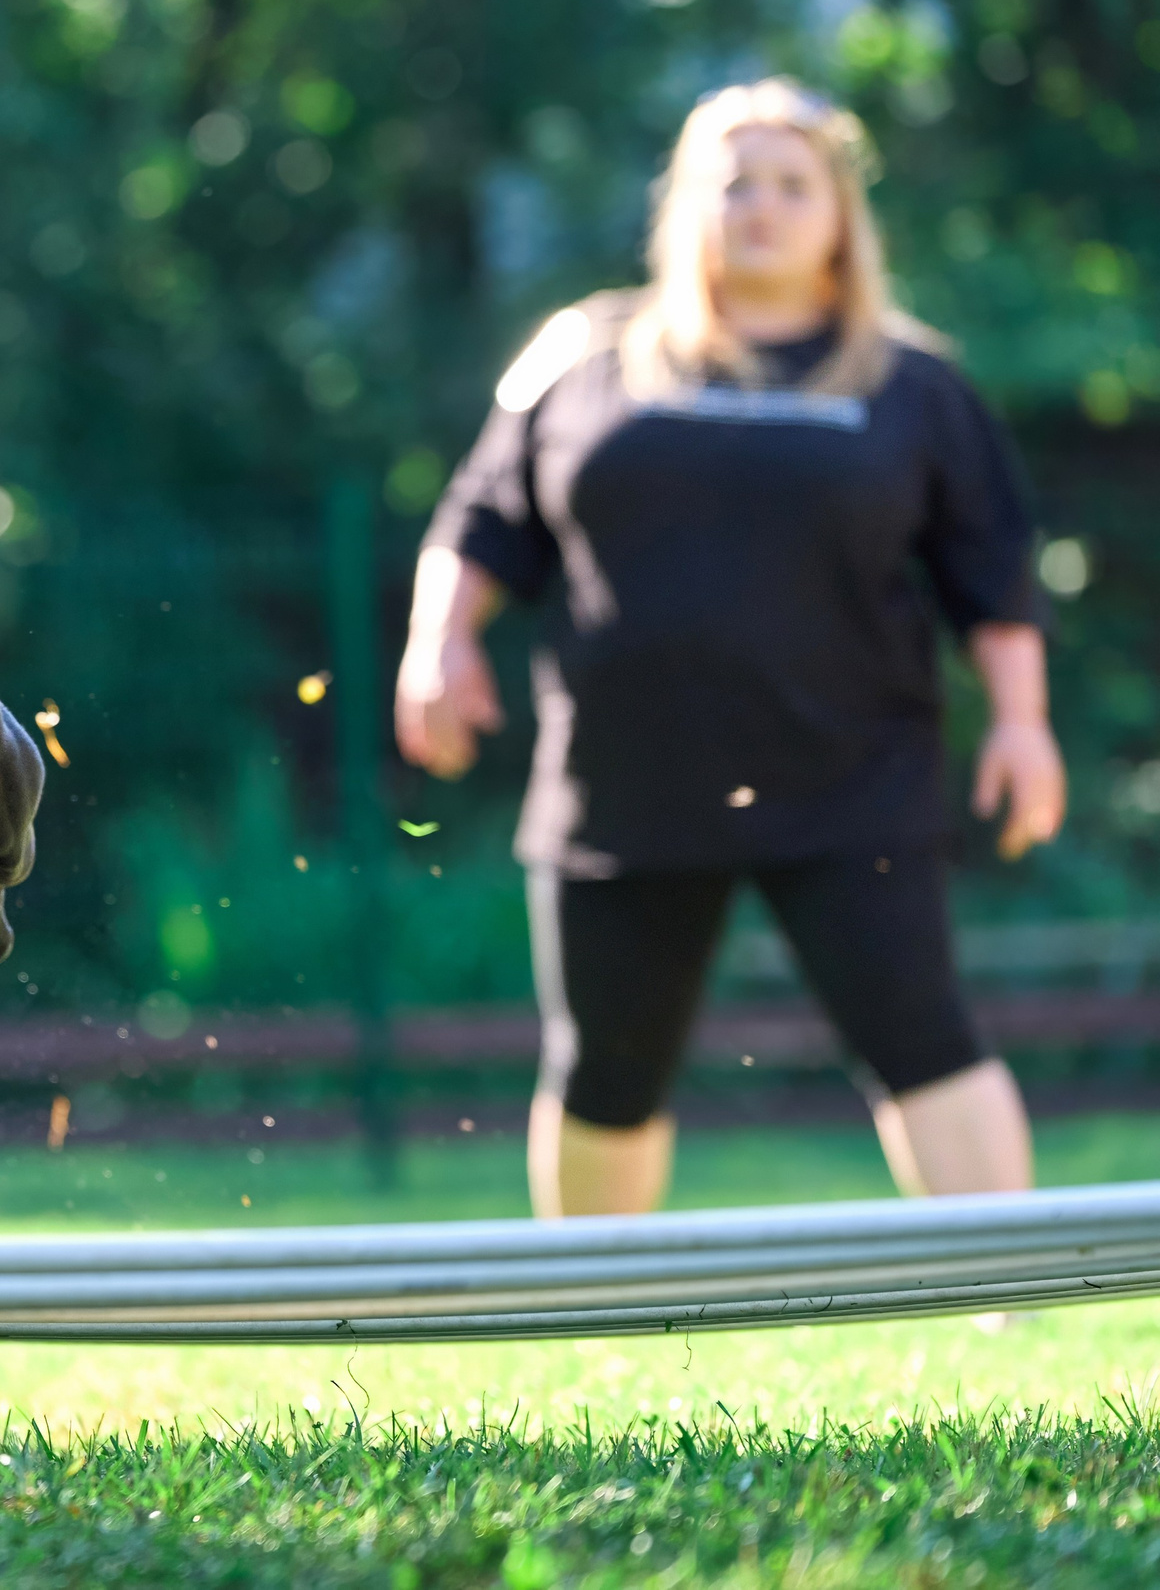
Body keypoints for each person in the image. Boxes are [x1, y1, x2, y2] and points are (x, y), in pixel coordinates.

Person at [396, 78, 1065, 1218]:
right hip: (624, 782)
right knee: (605, 1069)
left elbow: (992, 574)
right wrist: (437, 643)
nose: (761, 206)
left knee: (922, 1037)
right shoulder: (581, 358)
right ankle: (596, 1332)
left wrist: (1021, 723)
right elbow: (478, 522)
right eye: (733, 182)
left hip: (852, 780)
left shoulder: (915, 383)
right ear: (683, 206)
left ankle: (1001, 1297)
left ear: (840, 216)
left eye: (792, 184)